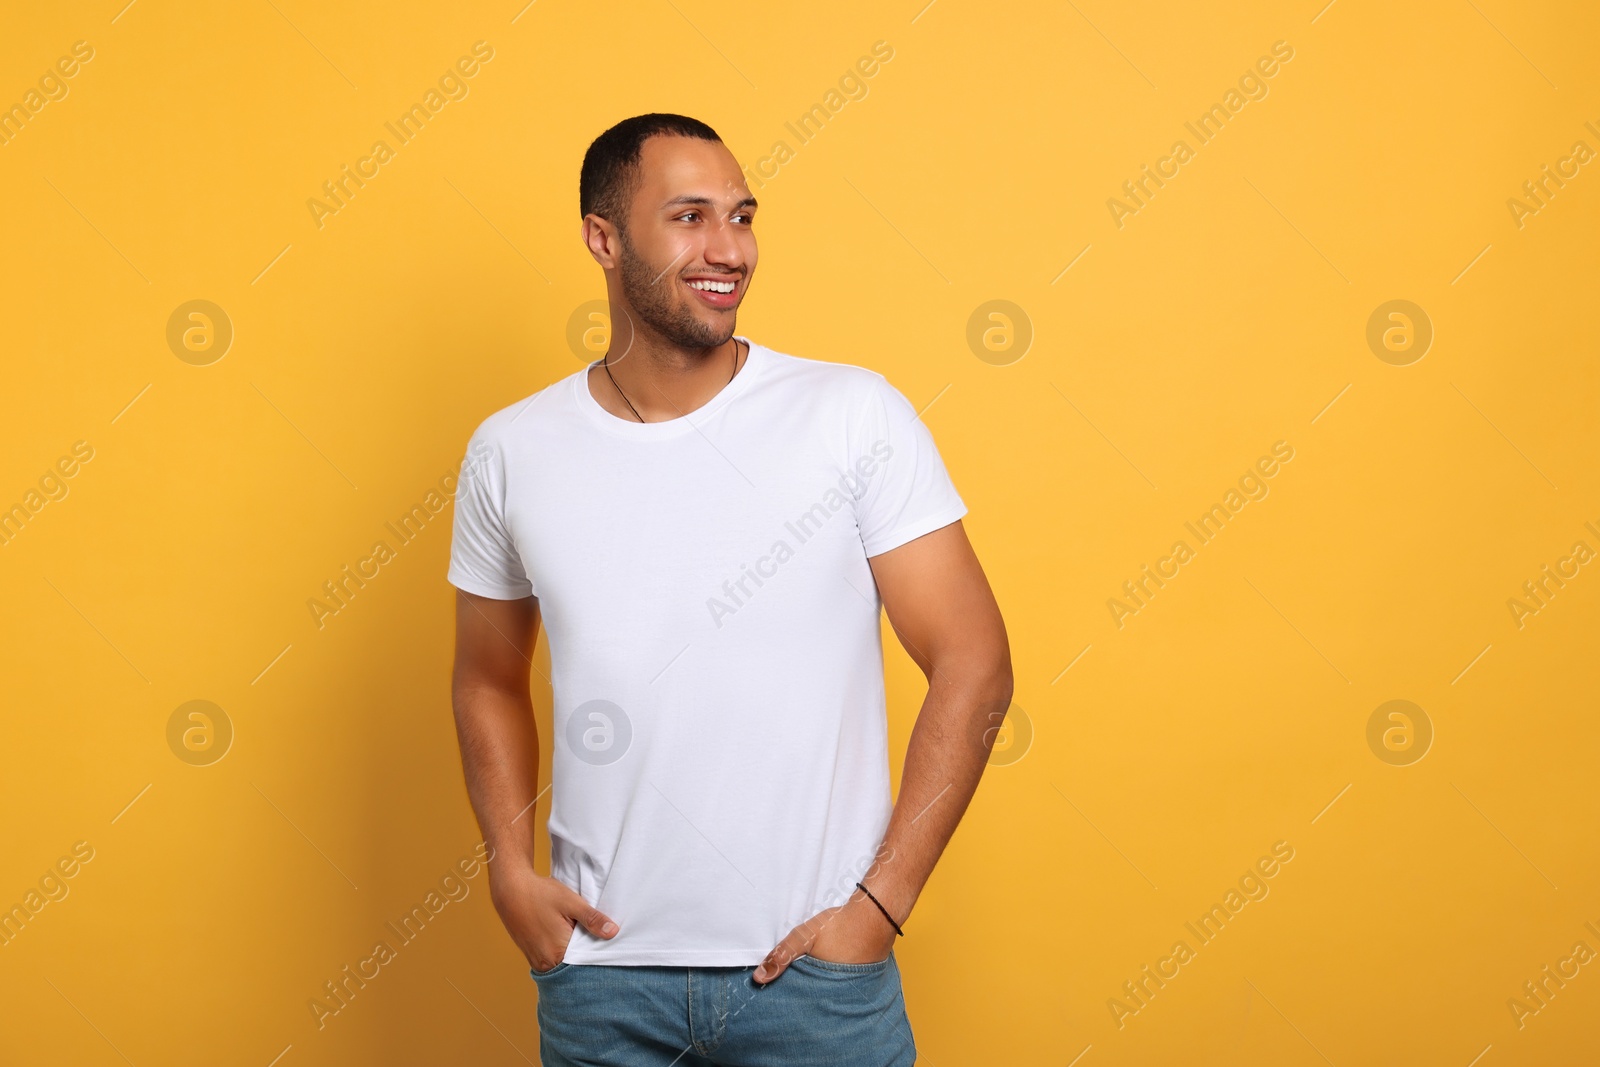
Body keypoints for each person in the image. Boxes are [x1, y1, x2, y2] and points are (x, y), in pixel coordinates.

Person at [446, 112, 1012, 1067]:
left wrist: (879, 906)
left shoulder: (850, 416)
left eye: (742, 217)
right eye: (691, 217)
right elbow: (486, 675)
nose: (729, 249)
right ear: (604, 238)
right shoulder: (513, 450)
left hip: (815, 984)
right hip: (601, 983)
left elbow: (975, 662)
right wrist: (507, 868)